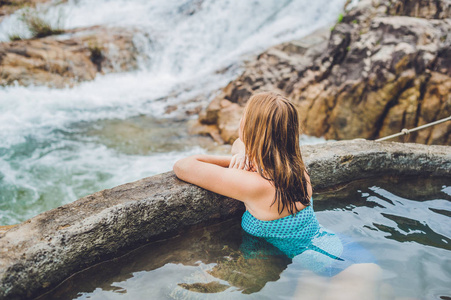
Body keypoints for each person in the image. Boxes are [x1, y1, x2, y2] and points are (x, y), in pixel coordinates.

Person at [173, 92, 382, 299]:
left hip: (342, 270)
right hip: (344, 256)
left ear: (249, 128)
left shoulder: (255, 185)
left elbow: (183, 166)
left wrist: (232, 160)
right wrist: (242, 154)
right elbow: (239, 143)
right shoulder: (296, 169)